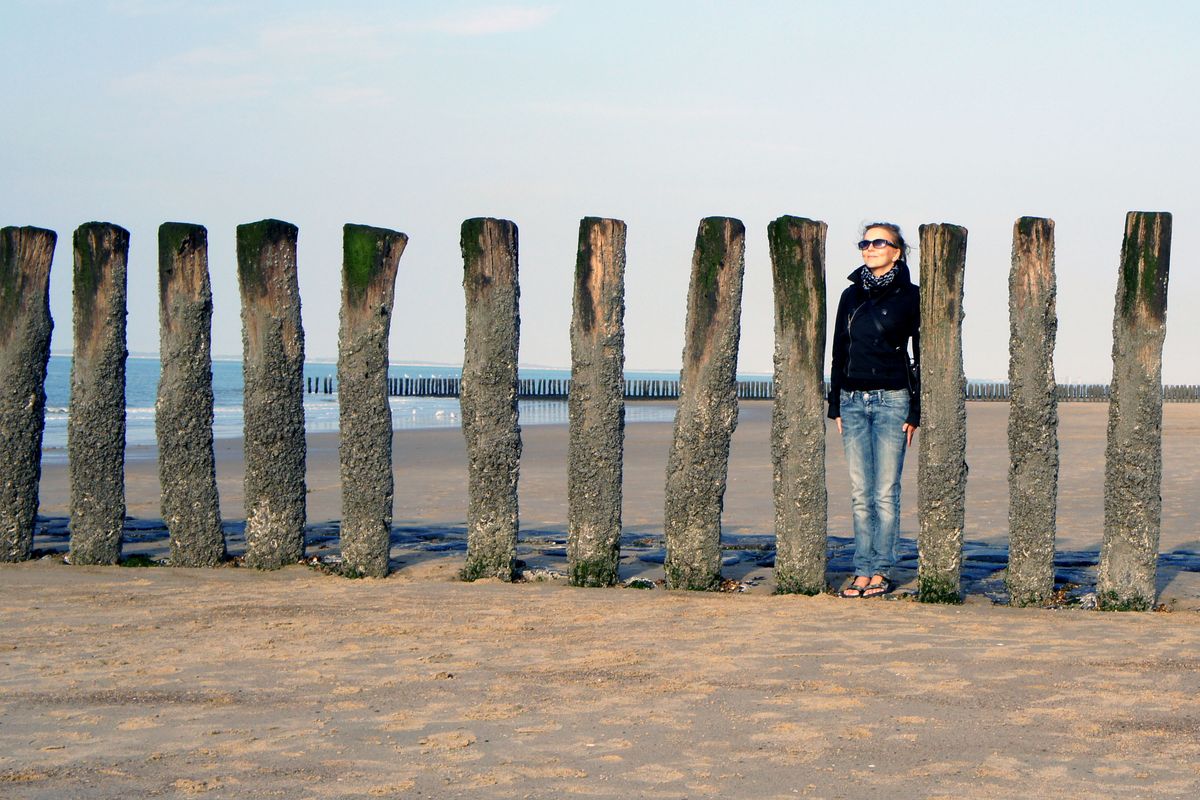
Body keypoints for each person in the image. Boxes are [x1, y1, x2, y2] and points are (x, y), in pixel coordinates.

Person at [828, 222, 920, 598]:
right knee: (859, 492)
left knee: (884, 490)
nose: (869, 248)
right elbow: (838, 351)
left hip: (892, 400)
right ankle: (861, 568)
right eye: (865, 243)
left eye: (878, 242)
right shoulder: (851, 295)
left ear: (897, 251)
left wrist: (915, 411)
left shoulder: (912, 296)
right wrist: (835, 403)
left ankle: (881, 570)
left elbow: (922, 355)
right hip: (852, 401)